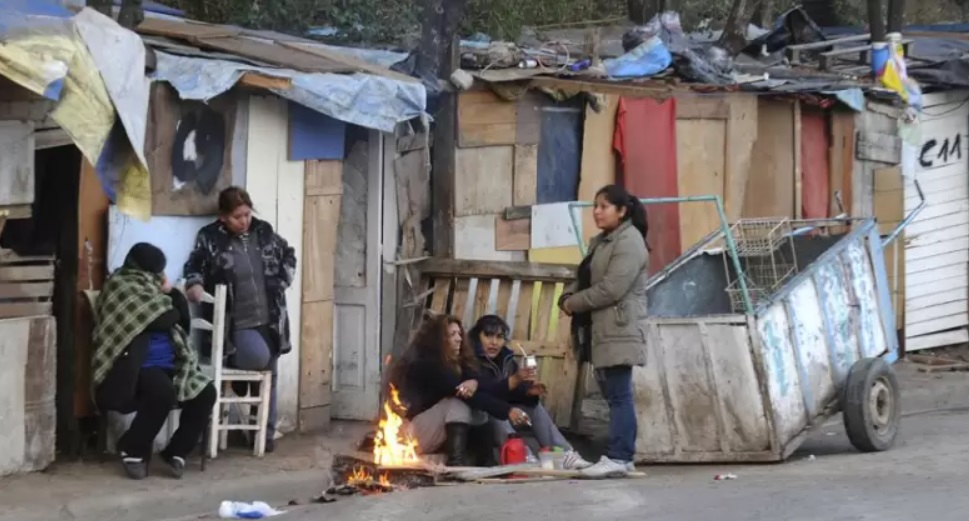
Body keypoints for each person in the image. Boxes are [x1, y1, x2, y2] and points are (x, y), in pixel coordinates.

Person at [183, 186, 296, 453]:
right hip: (235, 324)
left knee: (271, 366)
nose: (244, 221)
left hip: (269, 317)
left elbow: (288, 253)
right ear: (223, 217)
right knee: (262, 358)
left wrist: (282, 280)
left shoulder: (264, 231)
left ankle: (263, 435)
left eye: (246, 214)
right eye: (237, 216)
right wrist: (195, 284)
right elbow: (195, 264)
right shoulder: (210, 238)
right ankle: (258, 427)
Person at [93, 243, 216, 480]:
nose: (157, 277)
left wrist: (172, 294)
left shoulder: (154, 289)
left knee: (206, 392)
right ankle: (133, 449)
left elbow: (181, 320)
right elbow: (162, 319)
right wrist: (170, 303)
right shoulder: (120, 285)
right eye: (153, 273)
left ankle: (176, 452)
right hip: (134, 366)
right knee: (162, 393)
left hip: (172, 361)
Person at [558, 184, 649, 478]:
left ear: (622, 212)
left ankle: (620, 456)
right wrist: (568, 296)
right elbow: (585, 276)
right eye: (595, 206)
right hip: (603, 329)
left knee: (619, 395)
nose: (596, 212)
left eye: (603, 206)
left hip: (619, 328)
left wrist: (574, 303)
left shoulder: (629, 242)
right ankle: (621, 455)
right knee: (613, 395)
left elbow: (612, 288)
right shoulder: (602, 241)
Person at [389, 314, 530, 466]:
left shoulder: (457, 363)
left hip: (431, 436)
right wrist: (508, 410)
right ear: (438, 340)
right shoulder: (427, 364)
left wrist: (511, 381)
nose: (459, 339)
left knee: (479, 410)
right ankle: (456, 464)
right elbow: (464, 393)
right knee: (457, 404)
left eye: (459, 334)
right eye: (452, 335)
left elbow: (484, 386)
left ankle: (486, 461)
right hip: (409, 435)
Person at [470, 314, 594, 470]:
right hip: (481, 415)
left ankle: (565, 454)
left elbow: (511, 393)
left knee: (535, 408)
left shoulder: (506, 359)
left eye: (499, 337)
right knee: (497, 411)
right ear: (477, 336)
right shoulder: (471, 359)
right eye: (488, 335)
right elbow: (484, 394)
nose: (494, 342)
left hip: (505, 410)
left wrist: (528, 393)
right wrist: (511, 395)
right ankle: (522, 456)